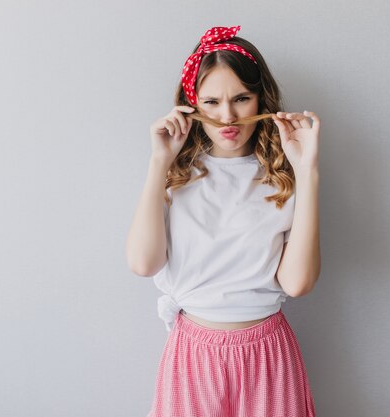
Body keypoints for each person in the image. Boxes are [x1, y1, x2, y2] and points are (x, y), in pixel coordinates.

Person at [126, 25, 321, 417]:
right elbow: (142, 264)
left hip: (267, 356)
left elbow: (297, 284)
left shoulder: (282, 178)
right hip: (193, 355)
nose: (226, 116)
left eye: (242, 99)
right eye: (211, 102)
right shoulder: (176, 175)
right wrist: (158, 162)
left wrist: (308, 171)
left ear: (261, 99)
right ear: (191, 105)